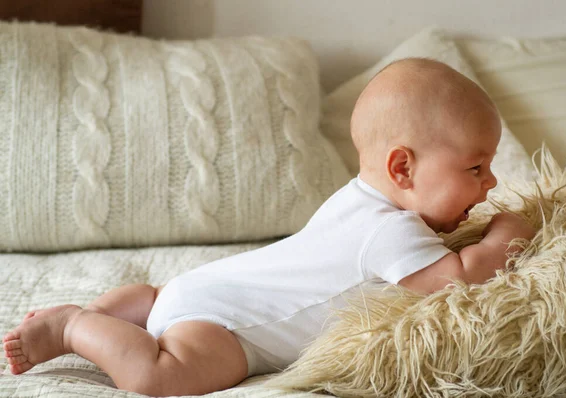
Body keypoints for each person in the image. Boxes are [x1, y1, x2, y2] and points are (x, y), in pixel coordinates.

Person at [2, 58, 536, 397]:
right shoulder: (390, 233)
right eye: (475, 168)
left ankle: (106, 316)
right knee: (160, 377)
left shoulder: (355, 202)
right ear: (403, 169)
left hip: (196, 292)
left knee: (159, 297)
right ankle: (76, 326)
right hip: (225, 327)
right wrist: (513, 227)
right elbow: (464, 279)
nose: (490, 183)